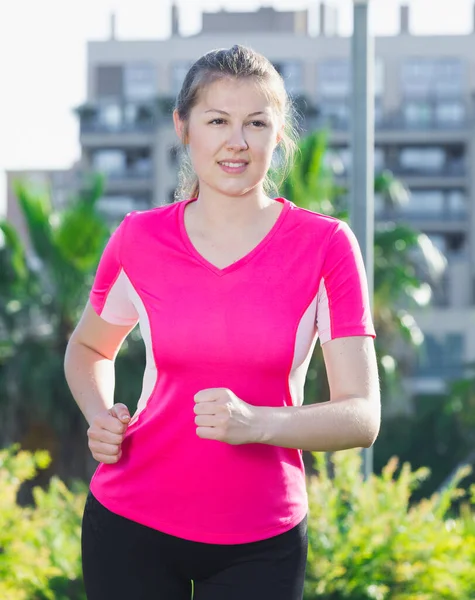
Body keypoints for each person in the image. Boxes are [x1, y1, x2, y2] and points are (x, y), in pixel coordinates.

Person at [64, 44, 380, 600]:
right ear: (183, 127)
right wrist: (101, 415)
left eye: (256, 123)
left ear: (277, 135)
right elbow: (89, 350)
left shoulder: (326, 247)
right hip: (130, 520)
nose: (237, 141)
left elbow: (361, 416)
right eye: (218, 121)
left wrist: (257, 423)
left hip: (264, 537)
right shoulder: (139, 239)